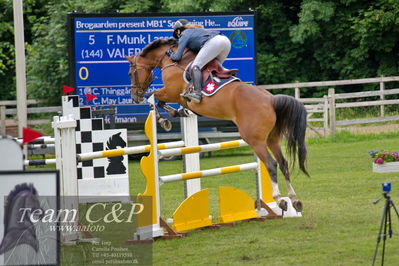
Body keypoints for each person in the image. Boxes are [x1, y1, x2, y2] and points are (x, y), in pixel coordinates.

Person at [166, 19, 232, 103]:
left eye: (176, 34)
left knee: (195, 66)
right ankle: (219, 90)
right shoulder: (197, 30)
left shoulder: (184, 34)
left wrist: (170, 54)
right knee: (214, 69)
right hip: (225, 41)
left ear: (178, 31)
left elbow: (177, 57)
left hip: (214, 42)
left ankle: (197, 93)